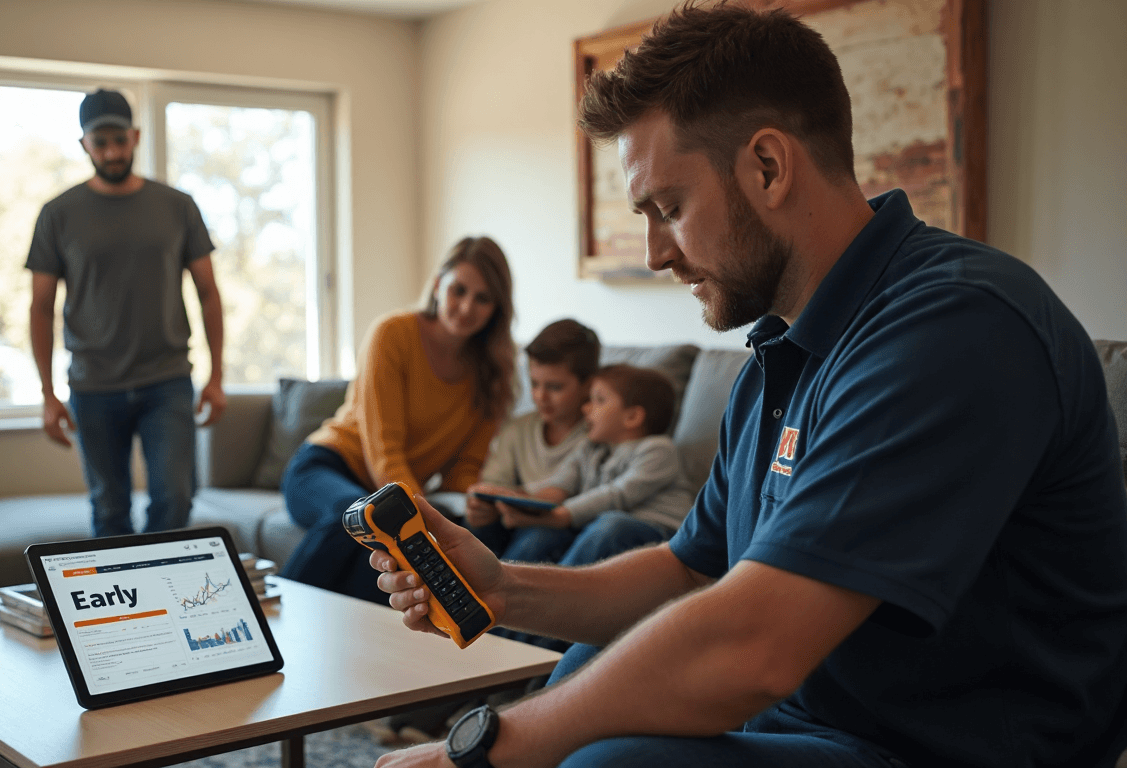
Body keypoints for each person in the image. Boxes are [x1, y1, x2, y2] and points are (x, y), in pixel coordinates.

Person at [369, 5, 1127, 768]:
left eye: (669, 208)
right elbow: (691, 569)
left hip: (930, 750)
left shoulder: (956, 326)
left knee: (598, 759)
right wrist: (505, 589)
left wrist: (484, 754)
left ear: (768, 166)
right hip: (805, 720)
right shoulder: (779, 353)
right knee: (585, 677)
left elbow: (753, 648)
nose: (655, 253)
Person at [27, 89, 226, 538]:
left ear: (136, 136)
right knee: (109, 509)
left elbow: (209, 292)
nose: (113, 152)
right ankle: (126, 609)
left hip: (167, 380)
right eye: (101, 143)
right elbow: (41, 308)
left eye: (121, 140)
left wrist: (216, 378)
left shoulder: (177, 206)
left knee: (175, 498)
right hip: (94, 386)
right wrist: (47, 394)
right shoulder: (58, 214)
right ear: (84, 145)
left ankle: (167, 603)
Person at [277, 236, 516, 604]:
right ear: (438, 285)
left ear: (496, 308)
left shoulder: (493, 374)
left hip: (390, 489)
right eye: (459, 290)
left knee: (389, 555)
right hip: (325, 467)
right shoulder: (392, 334)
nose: (467, 307)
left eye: (482, 298)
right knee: (360, 520)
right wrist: (420, 522)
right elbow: (382, 450)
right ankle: (271, 625)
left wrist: (475, 501)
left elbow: (464, 469)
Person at [470, 363, 687, 568]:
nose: (585, 408)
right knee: (542, 533)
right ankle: (498, 589)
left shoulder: (658, 450)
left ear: (632, 417)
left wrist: (562, 516)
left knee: (611, 524)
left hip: (656, 533)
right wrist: (515, 497)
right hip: (595, 526)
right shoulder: (590, 448)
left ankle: (558, 595)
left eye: (599, 400)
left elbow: (617, 495)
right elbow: (559, 485)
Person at [466, 318, 600, 553]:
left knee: (541, 537)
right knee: (471, 529)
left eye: (555, 387)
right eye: (534, 384)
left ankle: (502, 588)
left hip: (564, 527)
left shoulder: (599, 433)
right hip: (510, 523)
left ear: (588, 385)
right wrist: (481, 508)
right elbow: (494, 483)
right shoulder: (518, 429)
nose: (540, 396)